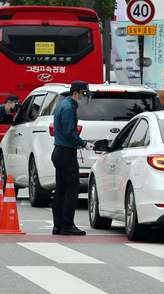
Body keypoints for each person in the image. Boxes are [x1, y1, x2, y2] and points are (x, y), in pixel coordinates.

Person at [51, 81, 94, 236]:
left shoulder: (62, 106)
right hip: (66, 153)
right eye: (83, 94)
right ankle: (67, 225)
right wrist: (83, 144)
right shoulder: (69, 109)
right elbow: (69, 132)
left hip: (59, 152)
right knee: (72, 189)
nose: (84, 98)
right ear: (75, 93)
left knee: (61, 190)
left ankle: (58, 226)